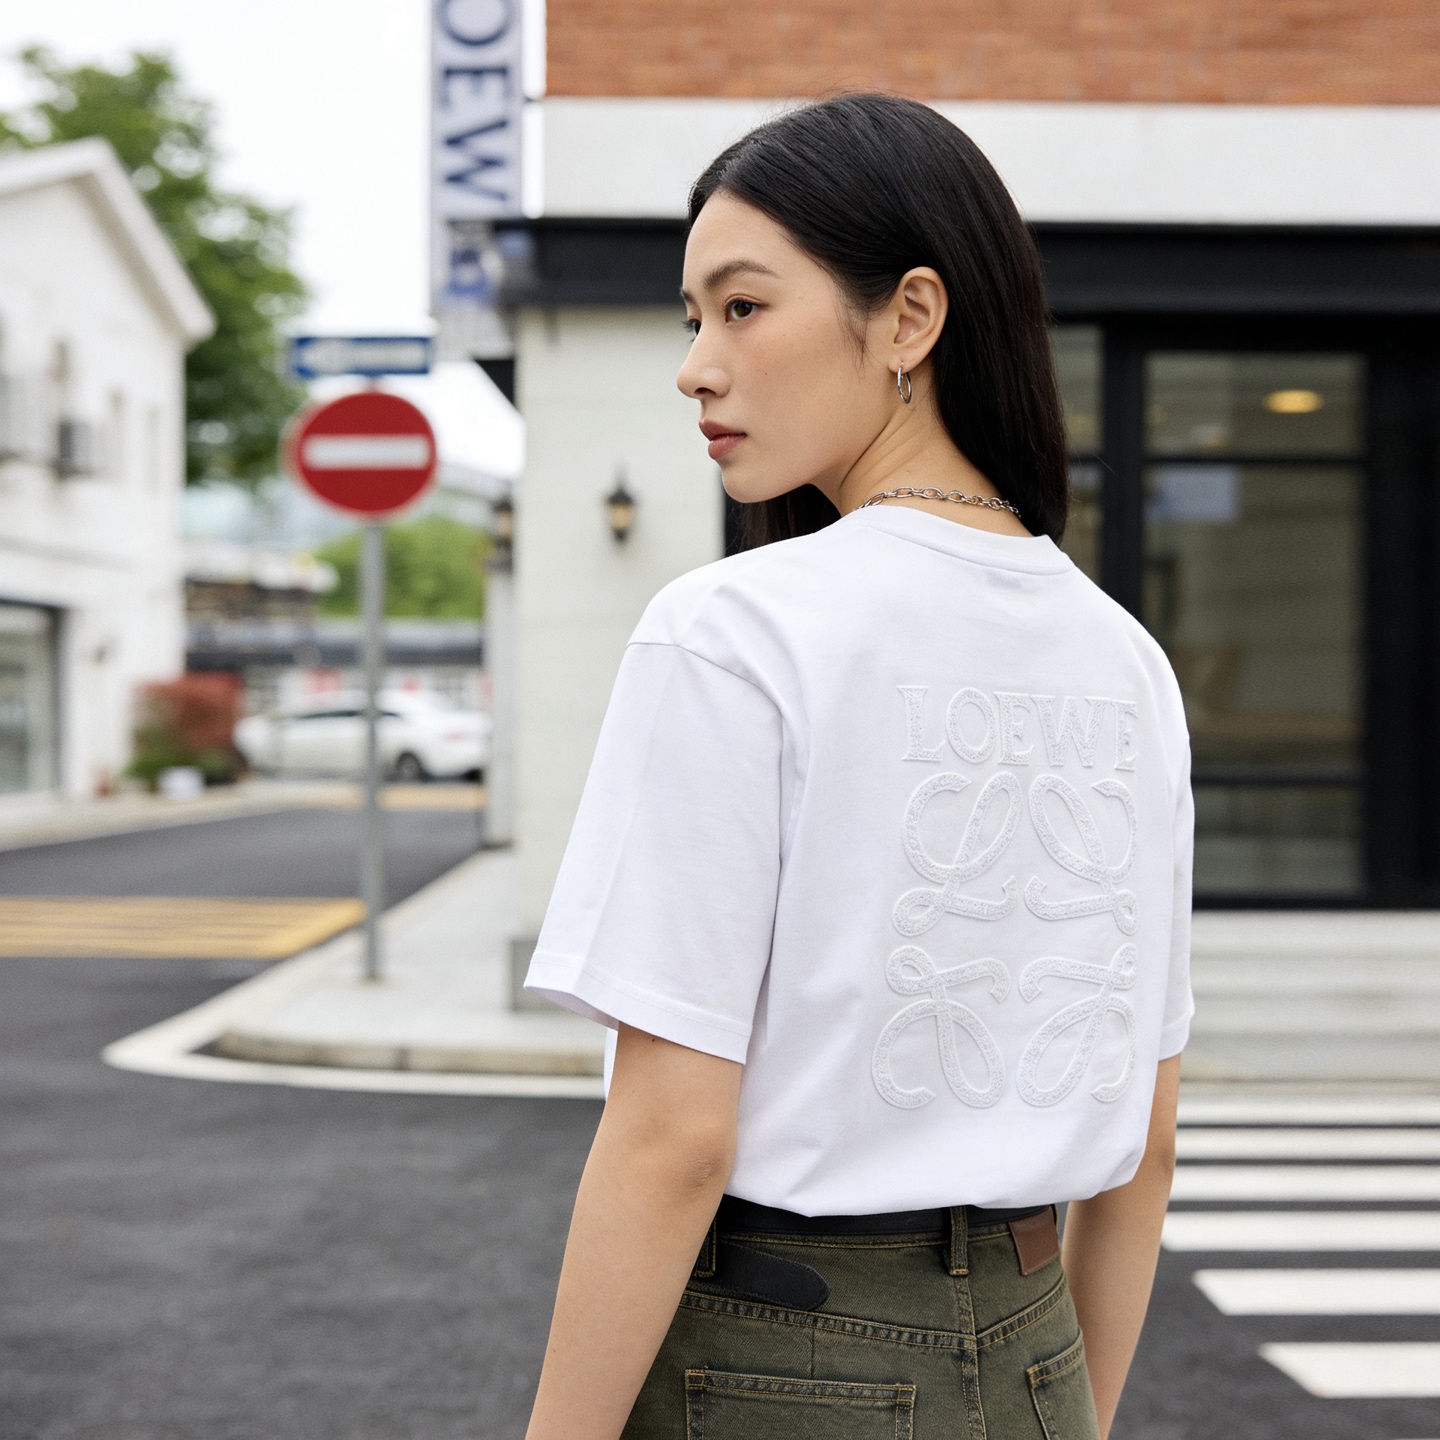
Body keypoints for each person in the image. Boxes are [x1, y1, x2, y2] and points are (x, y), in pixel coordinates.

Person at [523, 93, 1191, 1440]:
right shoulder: (1125, 659)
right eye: (691, 319)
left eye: (743, 308)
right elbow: (1148, 1136)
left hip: (778, 1360)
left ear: (910, 318)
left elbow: (673, 1140)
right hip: (1038, 1359)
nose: (696, 367)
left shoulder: (735, 631)